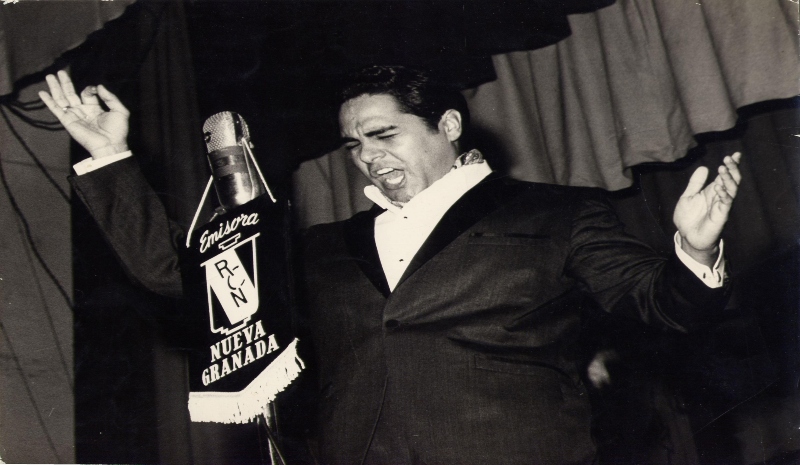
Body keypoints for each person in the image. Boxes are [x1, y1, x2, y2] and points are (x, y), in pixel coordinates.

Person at [41, 66, 742, 464]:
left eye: (384, 135)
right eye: (354, 146)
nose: (369, 157)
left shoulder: (555, 214)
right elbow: (180, 278)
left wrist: (694, 249)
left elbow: (663, 303)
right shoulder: (325, 248)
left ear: (448, 126)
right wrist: (108, 155)